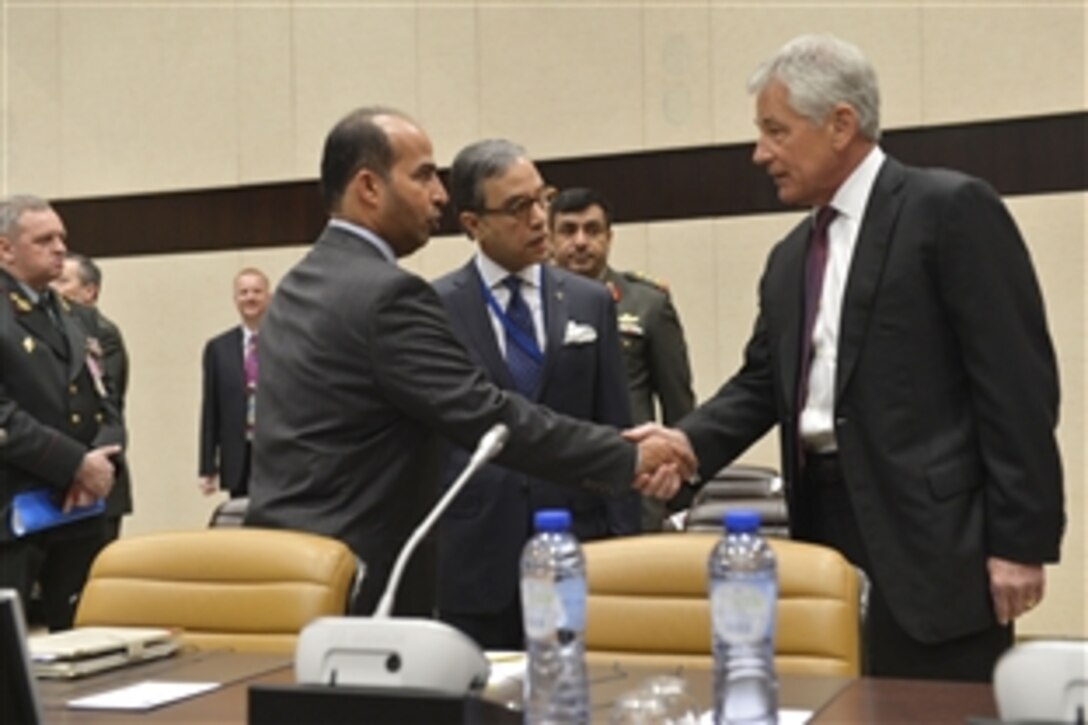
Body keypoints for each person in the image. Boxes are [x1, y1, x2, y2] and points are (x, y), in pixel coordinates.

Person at [629, 34, 1064, 682]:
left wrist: (1020, 542)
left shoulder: (947, 210)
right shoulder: (787, 259)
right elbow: (760, 384)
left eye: (776, 131)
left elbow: (1017, 387)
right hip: (821, 529)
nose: (760, 153)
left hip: (935, 539)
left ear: (840, 124)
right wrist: (686, 443)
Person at [245, 107, 690, 618]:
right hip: (363, 583)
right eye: (424, 175)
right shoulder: (388, 295)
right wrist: (627, 455)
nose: (439, 193)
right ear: (369, 187)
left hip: (288, 574)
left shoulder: (299, 285)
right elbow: (485, 416)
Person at [433, 141, 639, 648]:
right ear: (472, 222)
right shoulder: (435, 306)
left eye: (541, 198)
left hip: (577, 543)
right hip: (477, 555)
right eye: (517, 208)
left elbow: (615, 421)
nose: (540, 219)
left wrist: (627, 542)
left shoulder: (589, 301)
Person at [0, 195, 124, 630]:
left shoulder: (78, 317)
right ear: (5, 249)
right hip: (15, 506)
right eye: (44, 240)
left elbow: (107, 398)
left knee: (84, 640)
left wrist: (101, 461)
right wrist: (73, 464)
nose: (59, 249)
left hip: (80, 508)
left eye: (62, 239)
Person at [550, 187, 696, 531]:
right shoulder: (532, 307)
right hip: (557, 479)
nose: (581, 241)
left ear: (609, 237)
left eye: (592, 230)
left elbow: (679, 407)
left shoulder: (647, 304)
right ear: (551, 239)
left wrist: (680, 499)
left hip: (632, 483)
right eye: (569, 230)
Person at [53, 253, 132, 542]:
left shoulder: (102, 334)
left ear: (89, 291)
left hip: (97, 471)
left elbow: (105, 402)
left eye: (63, 281)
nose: (54, 288)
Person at [198, 268, 270, 498]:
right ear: (235, 299)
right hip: (237, 455)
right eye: (244, 292)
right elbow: (211, 409)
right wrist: (207, 466)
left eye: (257, 291)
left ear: (269, 296)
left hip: (277, 455)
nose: (250, 297)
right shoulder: (218, 348)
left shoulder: (286, 342)